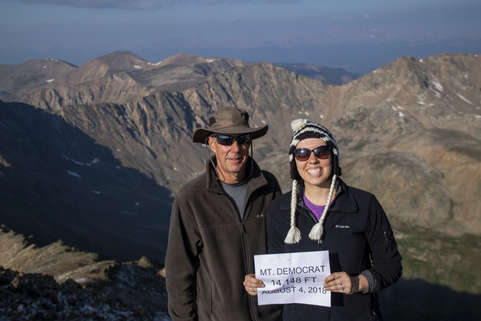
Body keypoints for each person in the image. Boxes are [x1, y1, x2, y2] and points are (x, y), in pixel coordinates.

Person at [244, 119, 402, 321]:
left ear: (333, 157)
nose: (312, 160)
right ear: (294, 162)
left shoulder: (365, 204)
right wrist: (259, 283)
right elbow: (278, 269)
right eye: (302, 154)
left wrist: (358, 283)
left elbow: (391, 266)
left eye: (321, 152)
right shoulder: (279, 210)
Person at [165, 107, 282, 321]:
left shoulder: (269, 186)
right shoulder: (191, 198)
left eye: (243, 140)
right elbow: (178, 273)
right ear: (212, 143)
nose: (235, 149)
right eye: (226, 140)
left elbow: (283, 249)